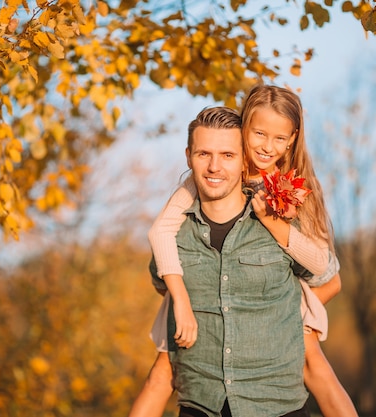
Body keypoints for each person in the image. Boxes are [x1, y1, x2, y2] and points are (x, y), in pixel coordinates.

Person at [129, 87, 357, 416]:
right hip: (200, 300)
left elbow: (329, 277)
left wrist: (270, 318)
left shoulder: (294, 187)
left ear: (292, 138)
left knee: (313, 361)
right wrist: (189, 301)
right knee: (164, 368)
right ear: (245, 129)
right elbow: (162, 230)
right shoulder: (202, 182)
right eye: (259, 134)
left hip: (291, 298)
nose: (267, 146)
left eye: (279, 138)